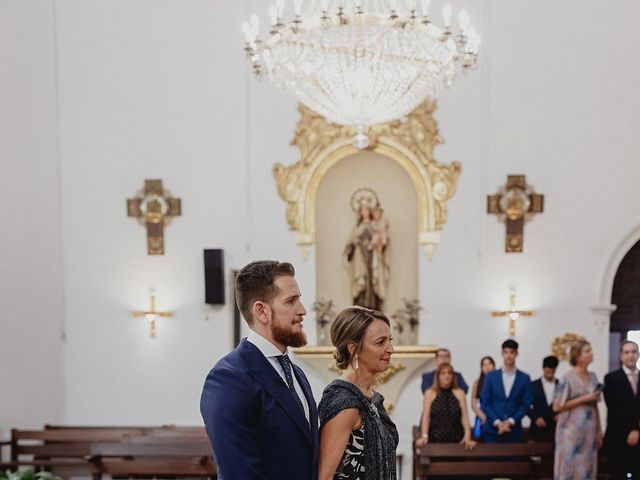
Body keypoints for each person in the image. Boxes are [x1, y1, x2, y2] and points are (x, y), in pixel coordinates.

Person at [200, 260, 319, 480]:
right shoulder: (229, 378)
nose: (302, 311)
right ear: (262, 311)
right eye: (291, 301)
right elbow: (239, 474)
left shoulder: (295, 373)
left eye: (299, 300)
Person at [318, 306, 398, 480]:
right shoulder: (344, 401)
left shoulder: (370, 396)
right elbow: (323, 476)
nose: (391, 348)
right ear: (353, 348)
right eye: (380, 342)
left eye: (389, 340)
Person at [553, 339, 602, 480]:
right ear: (577, 356)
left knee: (587, 470)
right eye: (587, 351)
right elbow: (557, 406)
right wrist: (585, 398)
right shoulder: (567, 378)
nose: (591, 353)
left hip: (589, 431)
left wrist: (599, 430)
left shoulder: (593, 377)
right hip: (570, 431)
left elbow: (595, 404)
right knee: (569, 469)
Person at [480, 339, 532, 443]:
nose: (509, 356)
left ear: (516, 354)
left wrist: (510, 421)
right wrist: (498, 422)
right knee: (492, 459)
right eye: (506, 352)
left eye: (512, 352)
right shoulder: (491, 377)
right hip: (492, 431)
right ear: (502, 353)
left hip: (514, 431)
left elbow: (526, 404)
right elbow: (485, 403)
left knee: (513, 459)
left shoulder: (524, 378)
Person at [416, 362, 475, 450]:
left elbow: (464, 417)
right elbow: (426, 417)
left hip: (457, 439)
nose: (447, 376)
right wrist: (424, 436)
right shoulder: (430, 393)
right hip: (435, 439)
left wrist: (467, 435)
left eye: (449, 373)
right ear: (438, 376)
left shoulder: (460, 393)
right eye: (443, 373)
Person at [603, 339, 640, 480]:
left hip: (639, 436)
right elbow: (615, 408)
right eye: (626, 352)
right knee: (618, 475)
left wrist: (638, 430)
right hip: (618, 437)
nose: (630, 355)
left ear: (638, 355)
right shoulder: (611, 379)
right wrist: (632, 429)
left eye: (633, 352)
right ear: (621, 356)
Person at [345, 204, 386, 310]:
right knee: (361, 278)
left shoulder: (374, 225)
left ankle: (373, 303)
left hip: (372, 257)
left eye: (366, 210)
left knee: (372, 279)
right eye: (362, 210)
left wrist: (375, 244)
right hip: (360, 256)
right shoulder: (358, 226)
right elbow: (351, 240)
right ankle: (361, 303)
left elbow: (381, 242)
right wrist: (356, 242)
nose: (365, 212)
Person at [528, 355, 559, 442]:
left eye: (552, 371)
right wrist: (536, 418)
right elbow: (526, 405)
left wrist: (561, 416)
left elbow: (565, 404)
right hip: (536, 428)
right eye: (547, 371)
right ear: (543, 369)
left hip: (555, 429)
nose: (550, 373)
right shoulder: (533, 385)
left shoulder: (560, 385)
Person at [471, 356, 495, 434]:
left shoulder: (499, 382)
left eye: (489, 364)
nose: (487, 367)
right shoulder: (477, 383)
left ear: (494, 366)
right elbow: (474, 404)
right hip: (482, 415)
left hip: (496, 415)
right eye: (484, 365)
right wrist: (483, 416)